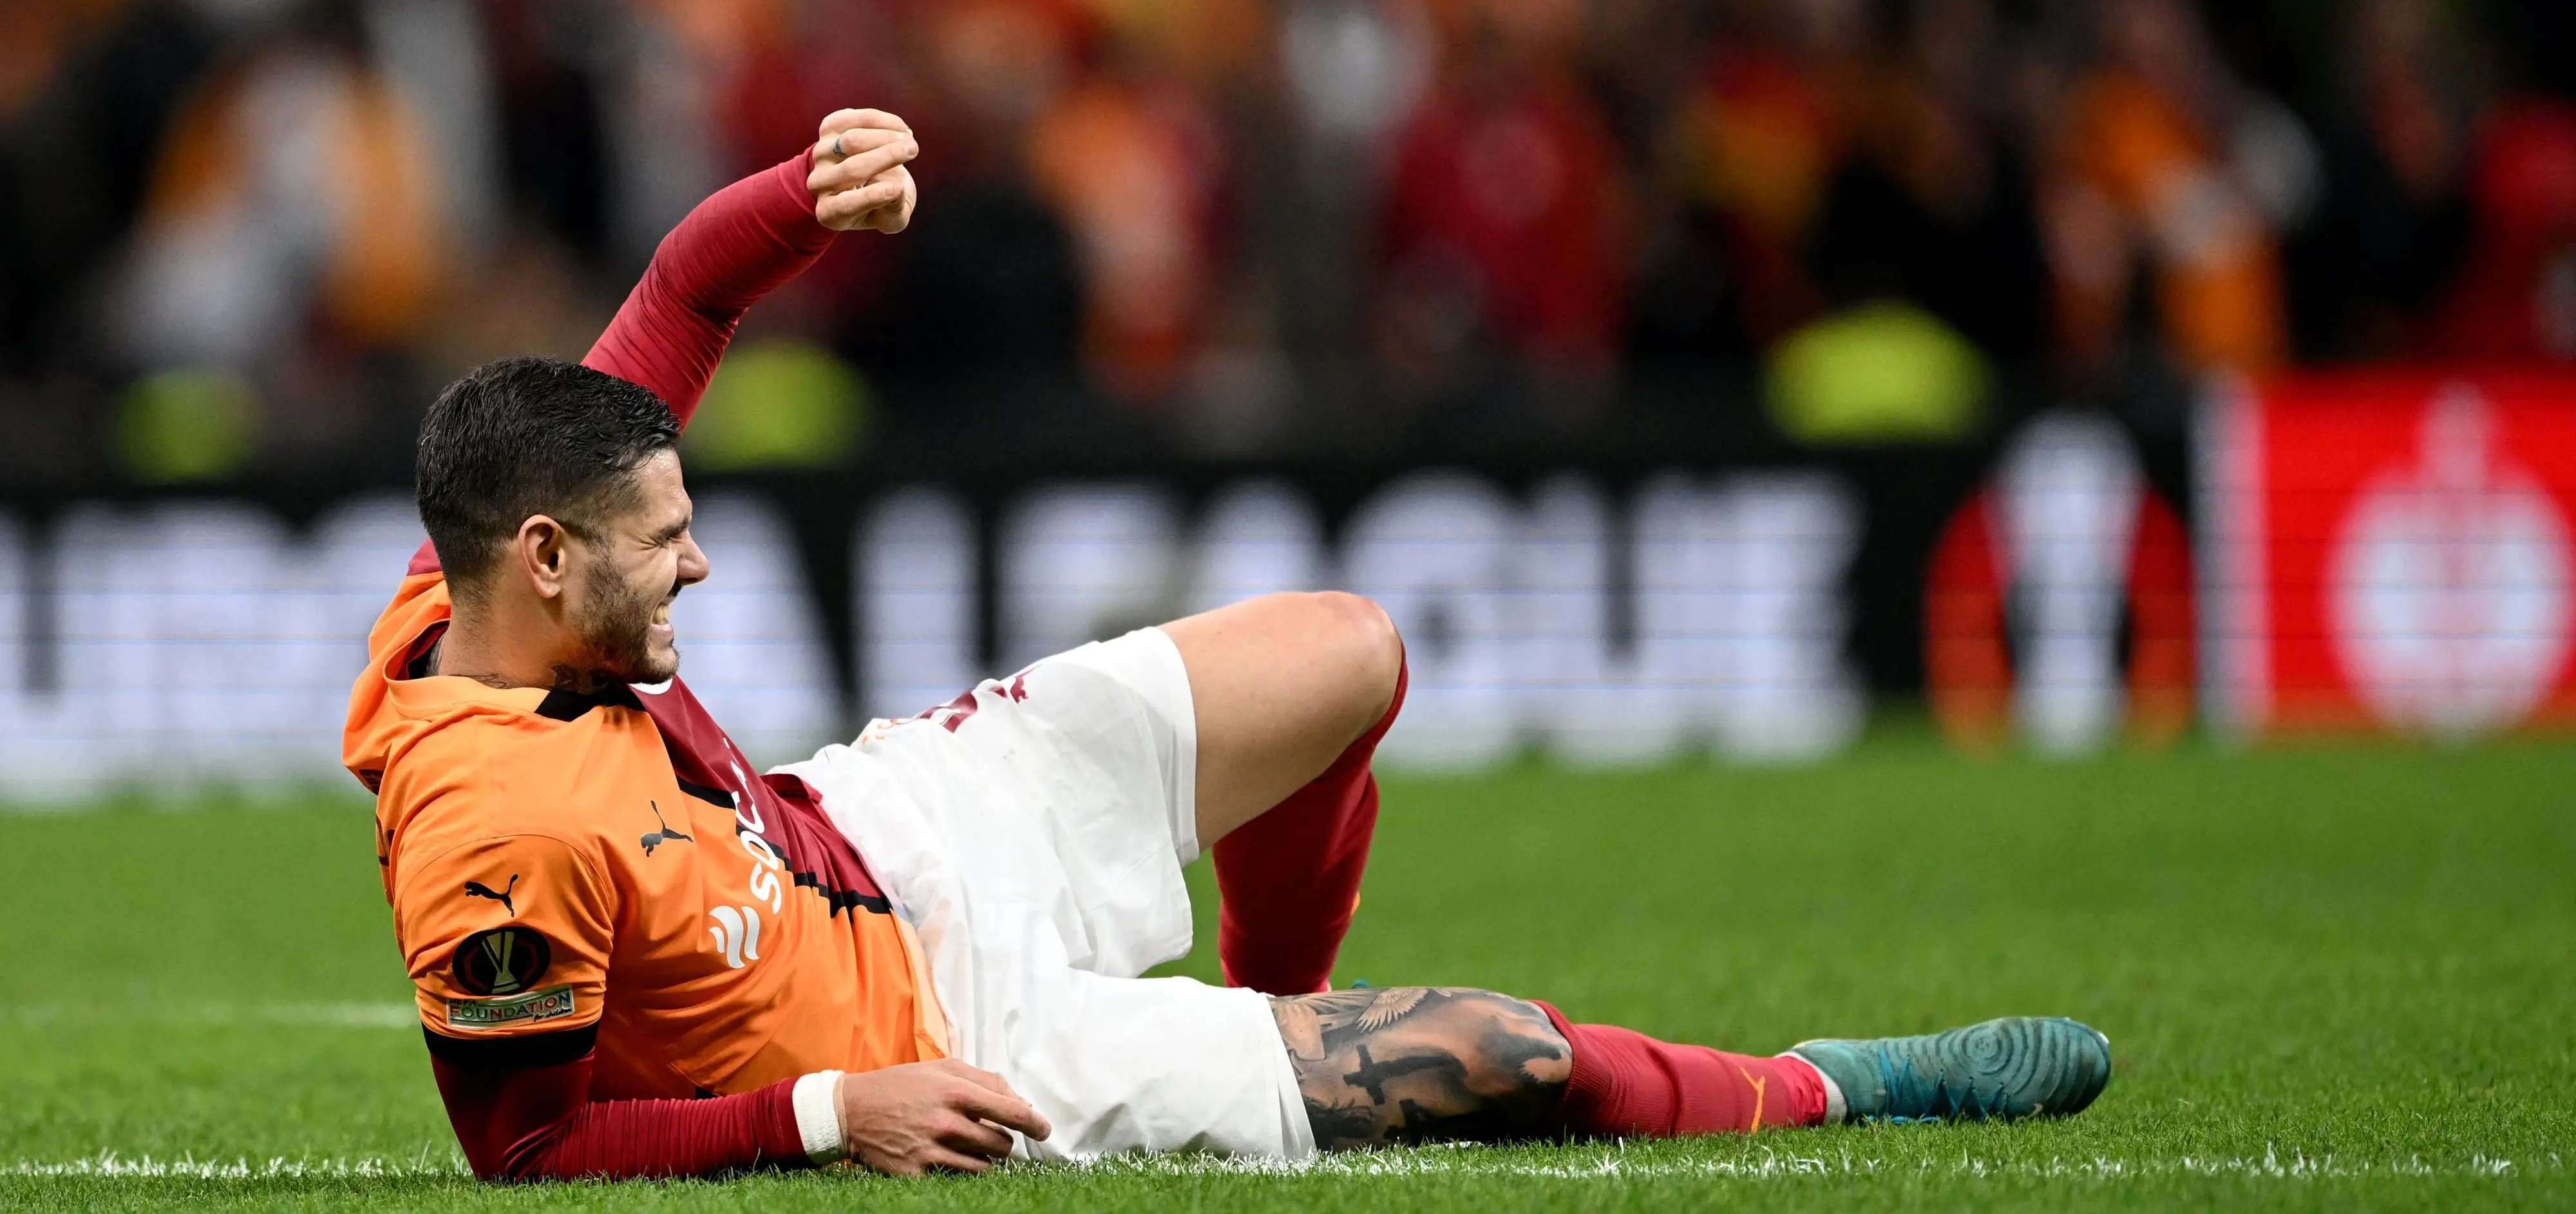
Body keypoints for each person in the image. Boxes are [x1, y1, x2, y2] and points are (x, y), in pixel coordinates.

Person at [343, 109, 2113, 1181]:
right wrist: (830, 1117)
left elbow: (686, 296)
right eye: (668, 544)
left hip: (884, 825)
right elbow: (532, 1153)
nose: (703, 565)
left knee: (1348, 651)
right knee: (1508, 1060)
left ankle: (1271, 1020)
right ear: (554, 559)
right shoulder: (491, 835)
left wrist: (809, 195)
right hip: (964, 1038)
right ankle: (1836, 1088)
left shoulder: (478, 577)